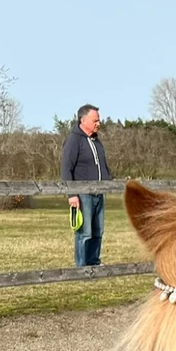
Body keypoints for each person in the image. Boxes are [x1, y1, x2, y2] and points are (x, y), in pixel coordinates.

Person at [61, 104, 110, 266]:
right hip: (82, 194)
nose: (98, 123)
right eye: (95, 120)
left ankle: (94, 262)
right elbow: (66, 168)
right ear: (83, 120)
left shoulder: (96, 141)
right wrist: (72, 194)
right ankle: (81, 266)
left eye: (99, 120)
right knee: (84, 233)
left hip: (99, 193)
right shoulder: (74, 140)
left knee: (98, 231)